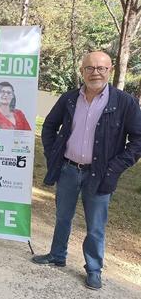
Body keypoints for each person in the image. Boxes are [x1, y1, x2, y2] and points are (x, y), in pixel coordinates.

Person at [31, 51, 141, 290]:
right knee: (62, 217)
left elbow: (138, 140)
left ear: (109, 71)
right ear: (82, 71)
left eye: (101, 68)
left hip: (101, 174)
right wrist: (53, 155)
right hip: (68, 170)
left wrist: (115, 167)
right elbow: (49, 125)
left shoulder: (124, 102)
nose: (95, 73)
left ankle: (93, 269)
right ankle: (57, 255)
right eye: (90, 68)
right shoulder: (70, 98)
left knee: (95, 226)